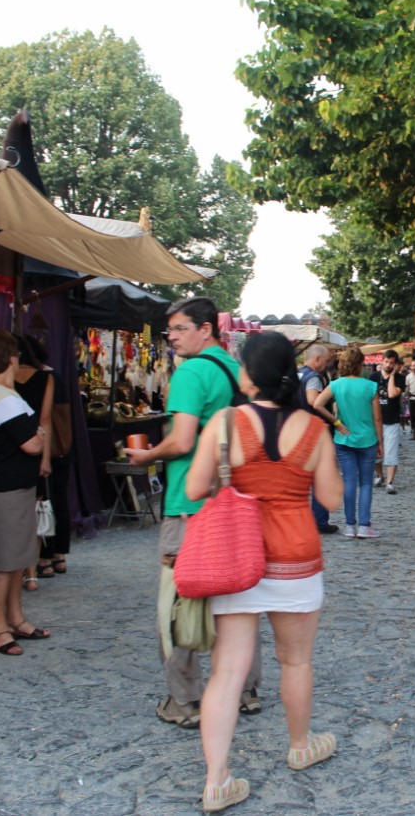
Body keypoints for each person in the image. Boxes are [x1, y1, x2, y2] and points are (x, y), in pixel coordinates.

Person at [185, 331, 343, 812]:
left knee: (227, 671)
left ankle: (217, 780)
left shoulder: (226, 422)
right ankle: (300, 746)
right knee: (295, 660)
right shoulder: (314, 428)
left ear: (250, 374)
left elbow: (193, 489)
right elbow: (332, 500)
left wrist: (226, 474)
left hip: (239, 557)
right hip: (296, 558)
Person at [125, 297, 262, 729]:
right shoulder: (236, 370)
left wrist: (144, 457)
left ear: (206, 329)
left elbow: (182, 440)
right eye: (171, 330)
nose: (173, 336)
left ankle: (184, 700)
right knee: (236, 597)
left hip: (189, 501)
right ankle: (245, 689)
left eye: (180, 328)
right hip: (234, 501)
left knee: (178, 600)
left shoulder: (190, 373)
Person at [0, 329, 50, 658]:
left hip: (10, 486)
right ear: (11, 359)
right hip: (2, 489)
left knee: (16, 559)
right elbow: (31, 443)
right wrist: (42, 434)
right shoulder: (2, 396)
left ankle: (16, 619)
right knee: (4, 563)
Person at [314, 348, 382, 538]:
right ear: (360, 364)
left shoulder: (336, 385)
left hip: (343, 439)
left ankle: (349, 525)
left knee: (349, 481)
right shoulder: (370, 387)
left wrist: (336, 422)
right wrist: (381, 442)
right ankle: (364, 525)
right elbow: (377, 418)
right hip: (367, 439)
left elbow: (317, 404)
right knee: (366, 483)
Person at [23, 335, 74, 578]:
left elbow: (45, 419)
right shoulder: (55, 376)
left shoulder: (40, 378)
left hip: (46, 448)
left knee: (44, 502)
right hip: (62, 447)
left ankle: (45, 557)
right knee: (58, 501)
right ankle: (59, 555)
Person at [14, 336, 54, 592]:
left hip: (9, 449)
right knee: (35, 512)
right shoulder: (44, 378)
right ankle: (31, 573)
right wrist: (46, 457)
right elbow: (46, 420)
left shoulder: (0, 381)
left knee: (10, 515)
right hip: (35, 447)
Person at [297, 345, 339, 534]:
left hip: (297, 430)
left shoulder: (297, 374)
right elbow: (313, 400)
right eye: (327, 359)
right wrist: (335, 421)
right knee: (320, 477)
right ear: (317, 359)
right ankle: (319, 521)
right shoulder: (314, 377)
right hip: (314, 431)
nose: (328, 363)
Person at [373, 350, 406, 493]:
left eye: (392, 363)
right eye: (386, 362)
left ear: (396, 364)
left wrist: (392, 376)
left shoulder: (400, 378)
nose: (388, 365)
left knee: (391, 451)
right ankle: (380, 475)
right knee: (375, 452)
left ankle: (390, 482)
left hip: (391, 420)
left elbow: (392, 394)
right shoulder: (373, 377)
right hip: (374, 420)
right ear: (382, 361)